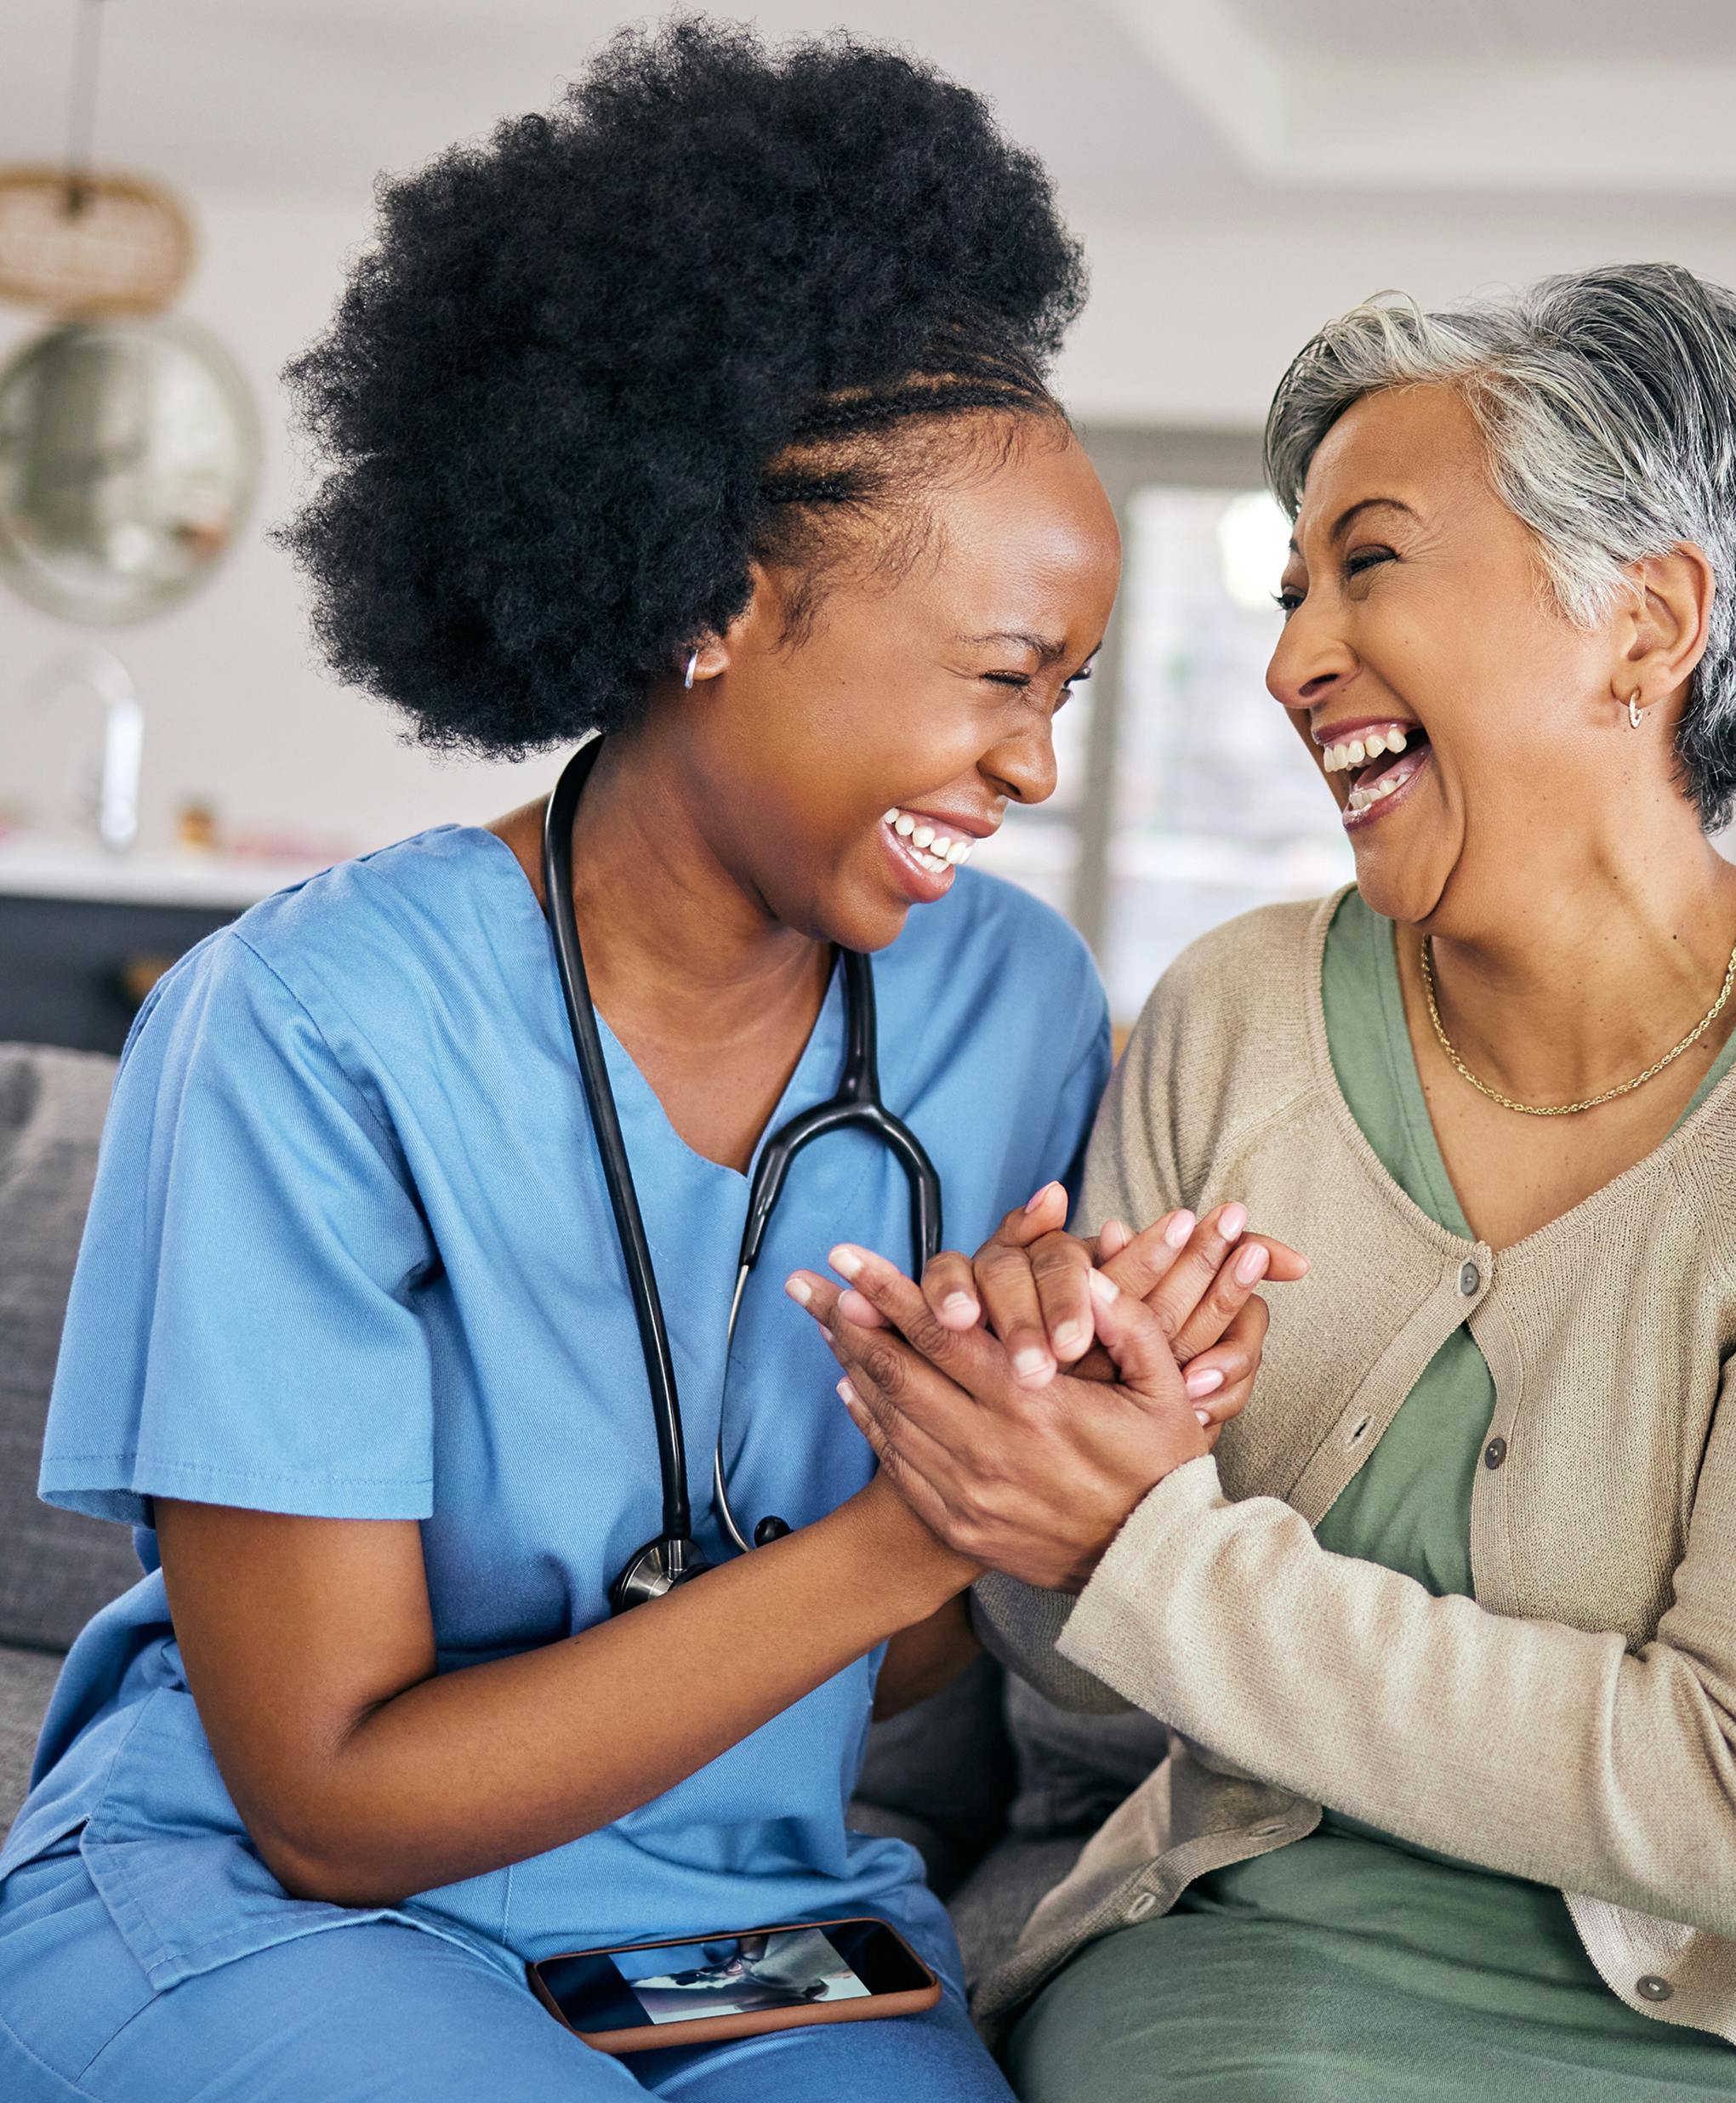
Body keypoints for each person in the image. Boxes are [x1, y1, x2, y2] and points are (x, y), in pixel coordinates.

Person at [0, 22, 1276, 2100]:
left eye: (1073, 690)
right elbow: (327, 1800)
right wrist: (915, 1525)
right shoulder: (314, 1031)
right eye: (999, 677)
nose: (1037, 764)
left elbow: (940, 1702)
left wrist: (1049, 1407)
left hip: (749, 1924)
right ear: (720, 602)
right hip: (282, 1901)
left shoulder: (1008, 1007)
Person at [794, 265, 1736, 2102]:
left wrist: (1136, 1536)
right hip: (1262, 1972)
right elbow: (1095, 1727)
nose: (1287, 654)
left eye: (1371, 564)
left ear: (1644, 626)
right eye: (1288, 586)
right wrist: (1052, 1441)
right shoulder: (1232, 1016)